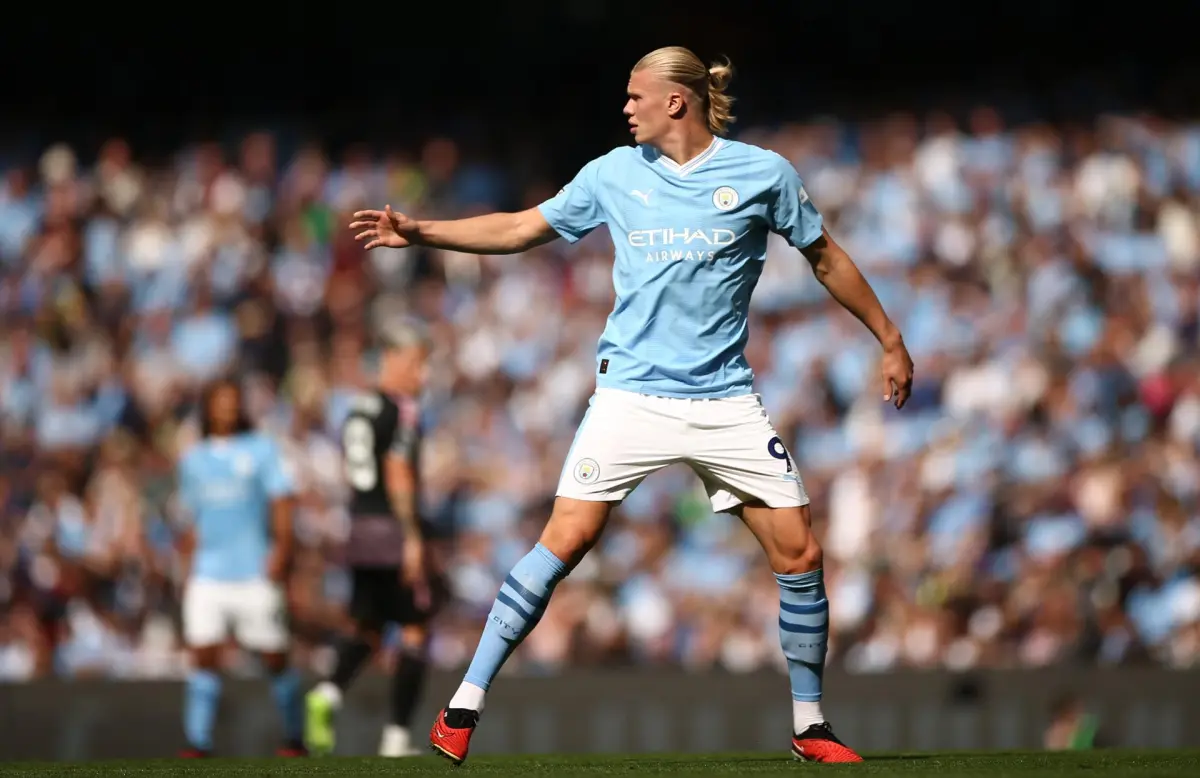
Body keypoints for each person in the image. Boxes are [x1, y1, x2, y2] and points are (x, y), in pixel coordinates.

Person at [351, 45, 914, 765]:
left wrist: (890, 338)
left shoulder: (763, 174)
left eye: (634, 96)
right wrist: (422, 230)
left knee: (800, 551)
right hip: (631, 397)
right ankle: (462, 706)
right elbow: (523, 228)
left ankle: (809, 725)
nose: (624, 108)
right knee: (566, 540)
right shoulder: (612, 175)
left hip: (723, 400)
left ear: (675, 101)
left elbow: (826, 257)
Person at [305, 323, 444, 757]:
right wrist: (412, 536)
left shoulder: (357, 408)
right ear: (394, 360)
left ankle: (327, 692)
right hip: (390, 531)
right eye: (418, 364)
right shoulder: (402, 410)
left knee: (368, 626)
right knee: (416, 629)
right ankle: (397, 737)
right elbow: (399, 472)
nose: (423, 376)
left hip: (360, 531)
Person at [175, 377, 305, 757]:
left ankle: (294, 737)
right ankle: (198, 741)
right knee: (202, 653)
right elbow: (190, 520)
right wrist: (186, 568)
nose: (228, 409)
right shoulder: (193, 460)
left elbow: (281, 500)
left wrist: (282, 549)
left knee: (275, 656)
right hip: (208, 571)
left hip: (253, 570)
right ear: (208, 408)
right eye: (220, 402)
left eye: (233, 402)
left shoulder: (261, 450)